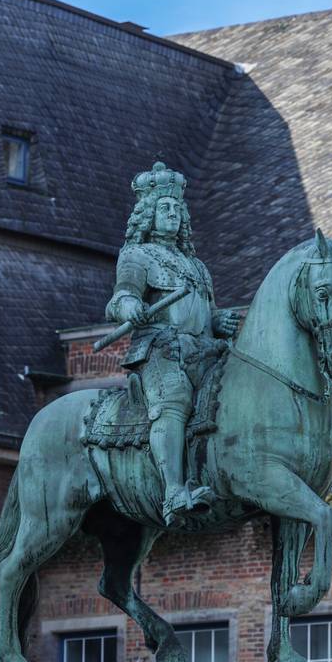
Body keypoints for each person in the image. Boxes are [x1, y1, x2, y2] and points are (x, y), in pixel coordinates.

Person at [105, 162, 240, 526]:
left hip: (205, 352)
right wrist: (131, 307)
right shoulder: (137, 256)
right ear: (149, 213)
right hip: (161, 351)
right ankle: (173, 492)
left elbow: (206, 313)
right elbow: (119, 299)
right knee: (173, 402)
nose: (172, 214)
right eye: (165, 207)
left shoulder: (197, 266)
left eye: (177, 208)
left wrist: (217, 321)